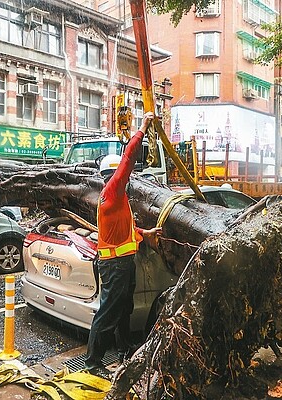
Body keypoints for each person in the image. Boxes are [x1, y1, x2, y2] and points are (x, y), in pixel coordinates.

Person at [84, 111, 162, 376]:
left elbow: (124, 230)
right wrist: (141, 128)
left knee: (123, 309)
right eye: (119, 175)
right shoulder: (112, 192)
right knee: (107, 314)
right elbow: (127, 161)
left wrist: (145, 233)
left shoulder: (116, 201)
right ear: (111, 175)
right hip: (114, 265)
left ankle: (125, 349)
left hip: (123, 264)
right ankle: (93, 363)